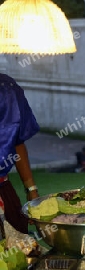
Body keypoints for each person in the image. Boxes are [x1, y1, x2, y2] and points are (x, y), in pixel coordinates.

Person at [0, 73, 40, 234]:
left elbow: (17, 141)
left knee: (18, 250)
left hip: (3, 189)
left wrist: (32, 190)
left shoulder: (6, 89)